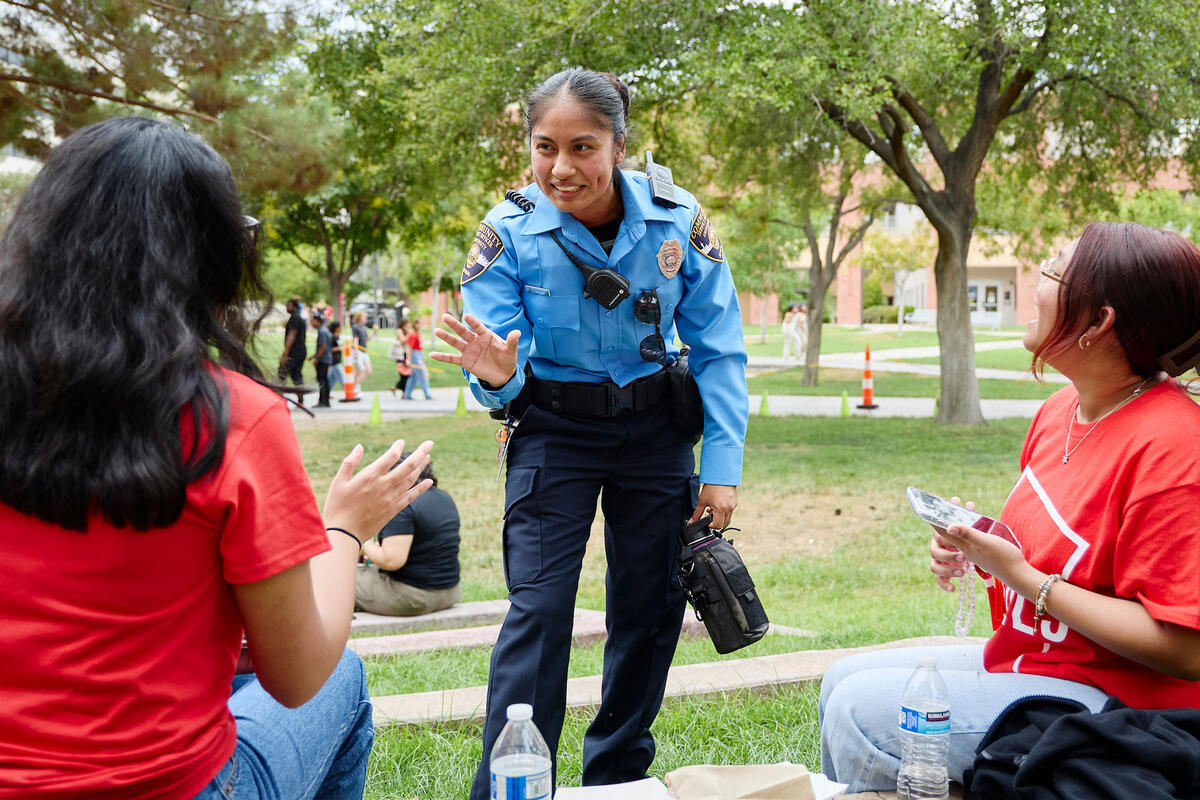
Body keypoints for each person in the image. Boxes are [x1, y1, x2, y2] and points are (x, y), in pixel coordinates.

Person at [0, 116, 436, 799]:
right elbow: (295, 679)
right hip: (173, 785)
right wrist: (345, 530)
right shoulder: (231, 419)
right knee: (342, 679)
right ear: (211, 259)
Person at [431, 69, 748, 798]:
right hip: (555, 432)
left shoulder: (677, 220)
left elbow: (720, 347)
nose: (562, 168)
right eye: (546, 147)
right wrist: (498, 376)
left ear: (619, 145)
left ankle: (615, 779)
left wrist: (721, 467)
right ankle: (515, 783)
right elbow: (497, 378)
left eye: (584, 146)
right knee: (539, 610)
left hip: (654, 430)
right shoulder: (506, 233)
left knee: (650, 607)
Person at [819, 222, 1200, 793]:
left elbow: (1184, 648)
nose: (1036, 285)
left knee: (857, 709)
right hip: (1043, 662)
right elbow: (1063, 555)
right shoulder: (1059, 411)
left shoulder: (1174, 445)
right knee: (838, 679)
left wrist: (1025, 577)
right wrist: (977, 547)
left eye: (1052, 273)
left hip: (1121, 698)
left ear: (1099, 323)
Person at [355, 455, 462, 616]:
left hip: (412, 598)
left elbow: (391, 560)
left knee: (338, 575)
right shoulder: (444, 497)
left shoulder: (403, 505)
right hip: (450, 592)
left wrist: (365, 544)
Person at [278, 295, 307, 403]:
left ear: (294, 307)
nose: (286, 307)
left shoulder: (295, 318)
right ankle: (301, 400)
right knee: (296, 375)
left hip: (294, 352)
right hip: (301, 351)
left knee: (282, 372)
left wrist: (286, 351)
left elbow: (292, 334)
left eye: (288, 305)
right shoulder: (299, 317)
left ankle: (279, 398)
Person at [403, 317, 433, 400]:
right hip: (414, 356)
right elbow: (410, 348)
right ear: (415, 324)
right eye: (419, 323)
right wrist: (408, 360)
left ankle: (407, 395)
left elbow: (420, 348)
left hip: (419, 355)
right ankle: (427, 394)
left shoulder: (418, 334)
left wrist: (422, 358)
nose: (421, 325)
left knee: (414, 377)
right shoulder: (412, 334)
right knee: (424, 374)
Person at [310, 313, 333, 407]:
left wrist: (317, 358)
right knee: (324, 380)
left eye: (312, 320)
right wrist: (314, 355)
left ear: (317, 321)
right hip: (326, 359)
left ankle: (323, 401)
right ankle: (325, 401)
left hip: (323, 360)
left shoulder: (322, 331)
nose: (311, 322)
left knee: (322, 380)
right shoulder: (323, 330)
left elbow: (323, 347)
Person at [351, 309, 373, 388]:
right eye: (364, 317)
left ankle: (354, 388)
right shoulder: (355, 327)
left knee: (367, 370)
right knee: (360, 371)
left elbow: (367, 339)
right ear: (359, 317)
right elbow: (355, 340)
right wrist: (356, 353)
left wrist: (374, 332)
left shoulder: (364, 327)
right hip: (358, 351)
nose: (366, 318)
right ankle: (354, 388)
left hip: (364, 351)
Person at [391, 318, 413, 397]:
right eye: (407, 324)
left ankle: (397, 389)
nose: (409, 326)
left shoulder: (407, 332)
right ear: (404, 324)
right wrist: (409, 334)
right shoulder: (399, 331)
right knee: (404, 376)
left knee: (407, 375)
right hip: (400, 357)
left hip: (406, 356)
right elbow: (403, 340)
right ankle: (403, 393)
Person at [328, 319, 345, 394]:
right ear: (336, 328)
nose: (341, 328)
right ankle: (347, 391)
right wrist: (339, 348)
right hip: (335, 361)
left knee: (332, 379)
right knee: (342, 377)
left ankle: (326, 393)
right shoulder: (332, 338)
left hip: (337, 360)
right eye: (340, 327)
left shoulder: (338, 337)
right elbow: (329, 349)